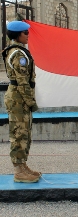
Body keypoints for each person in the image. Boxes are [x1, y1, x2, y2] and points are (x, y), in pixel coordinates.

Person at [2, 20, 41, 183]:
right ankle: (18, 170)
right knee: (19, 134)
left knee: (24, 133)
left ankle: (23, 165)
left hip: (19, 97)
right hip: (19, 97)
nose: (28, 35)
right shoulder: (18, 54)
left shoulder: (19, 51)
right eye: (26, 33)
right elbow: (22, 81)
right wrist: (31, 102)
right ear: (18, 35)